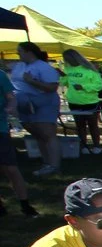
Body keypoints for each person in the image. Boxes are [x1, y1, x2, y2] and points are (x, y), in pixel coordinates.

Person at [11, 41, 63, 177]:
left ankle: (54, 165)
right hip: (24, 104)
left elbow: (52, 88)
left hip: (43, 103)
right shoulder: (19, 66)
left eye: (20, 51)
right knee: (38, 135)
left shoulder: (44, 67)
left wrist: (32, 81)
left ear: (29, 52)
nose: (18, 54)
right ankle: (46, 163)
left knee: (47, 134)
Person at [0, 69, 38, 216]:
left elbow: (11, 97)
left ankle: (25, 204)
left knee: (10, 168)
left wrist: (11, 106)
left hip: (0, 129)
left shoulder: (1, 75)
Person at [60, 49, 102, 155]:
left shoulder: (90, 70)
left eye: (66, 59)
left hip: (90, 102)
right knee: (80, 125)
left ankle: (96, 146)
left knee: (93, 125)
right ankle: (83, 146)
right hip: (74, 102)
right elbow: (64, 82)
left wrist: (83, 87)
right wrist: (62, 75)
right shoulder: (68, 70)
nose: (66, 61)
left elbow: (99, 86)